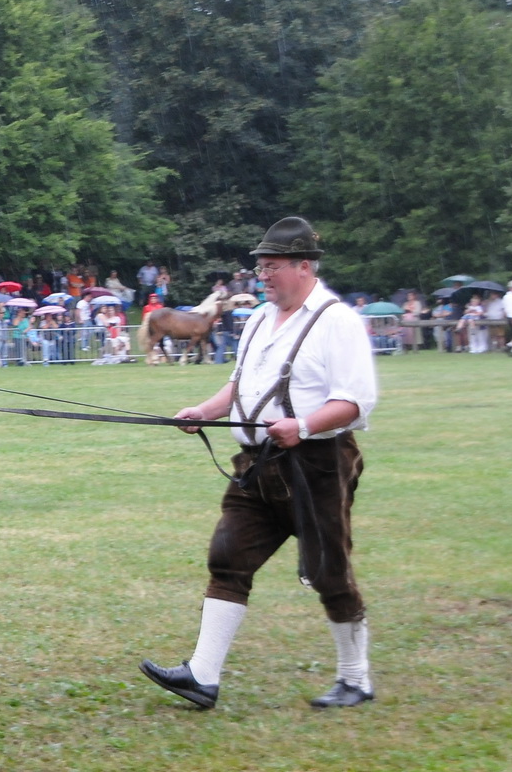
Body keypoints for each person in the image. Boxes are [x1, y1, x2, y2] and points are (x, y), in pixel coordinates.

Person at [142, 217, 380, 711]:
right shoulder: (256, 320)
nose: (263, 276)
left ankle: (356, 679)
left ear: (303, 266)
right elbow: (240, 384)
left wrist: (305, 426)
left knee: (327, 569)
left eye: (272, 267)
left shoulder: (337, 321)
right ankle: (202, 676)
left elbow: (356, 402)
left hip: (317, 465)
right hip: (256, 463)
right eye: (261, 267)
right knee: (228, 556)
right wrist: (203, 412)